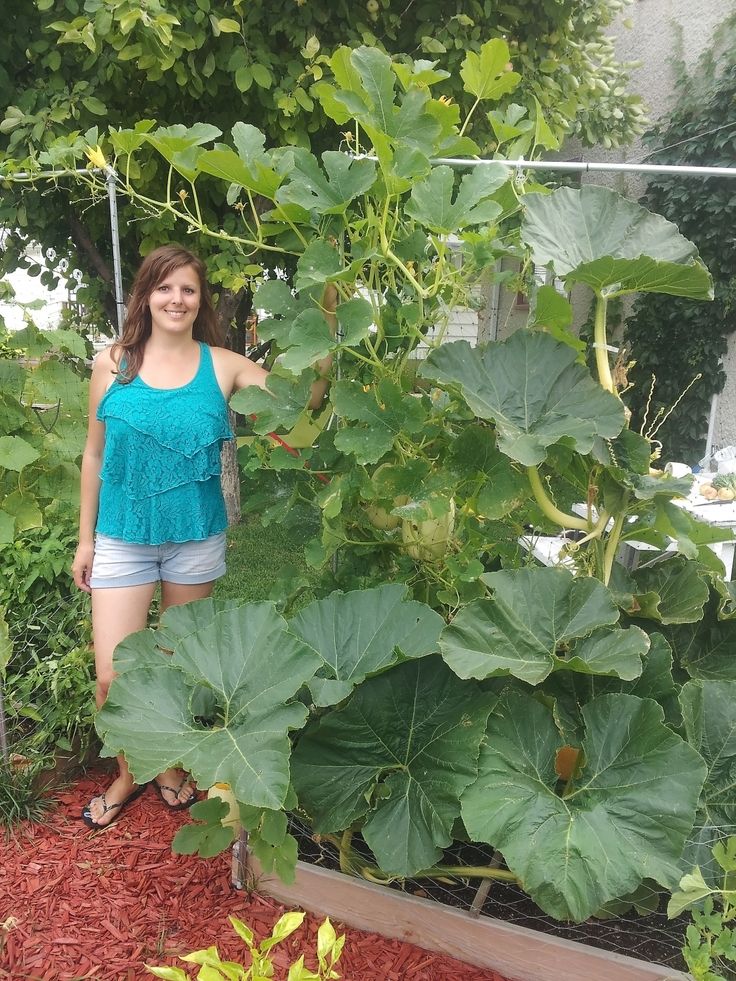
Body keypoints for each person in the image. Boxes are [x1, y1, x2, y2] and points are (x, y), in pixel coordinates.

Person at [71, 244, 331, 829]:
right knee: (113, 675)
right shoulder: (113, 363)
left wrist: (328, 328)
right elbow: (93, 455)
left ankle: (165, 767)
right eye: (165, 288)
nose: (177, 299)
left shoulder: (223, 365)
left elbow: (303, 404)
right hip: (121, 536)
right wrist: (85, 541)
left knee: (174, 663)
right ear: (146, 296)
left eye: (188, 289)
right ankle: (126, 772)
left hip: (193, 541)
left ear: (200, 300)